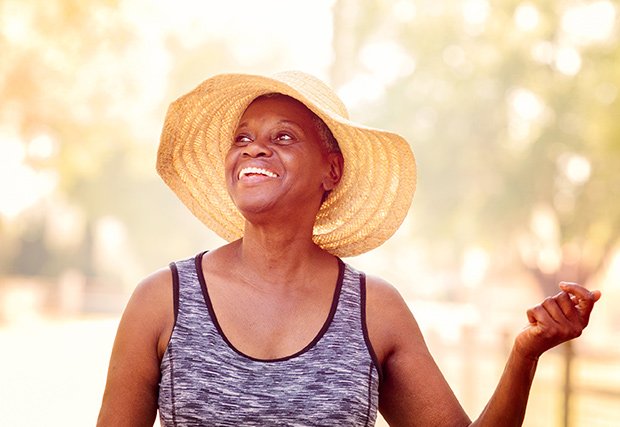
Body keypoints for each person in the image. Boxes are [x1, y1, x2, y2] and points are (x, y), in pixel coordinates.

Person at [97, 71, 601, 427]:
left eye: (284, 136)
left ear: (331, 170)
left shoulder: (374, 309)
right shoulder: (161, 300)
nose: (253, 148)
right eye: (243, 137)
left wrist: (524, 355)